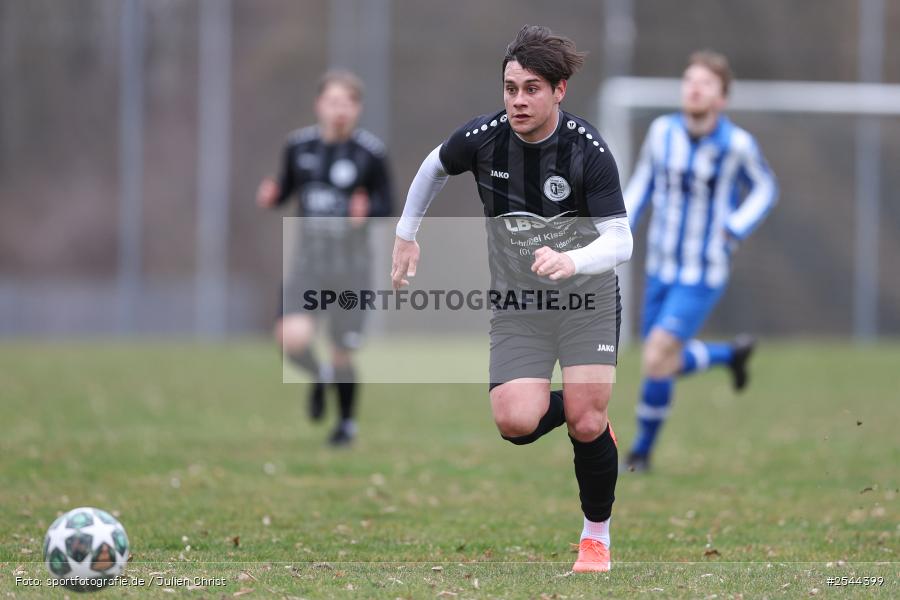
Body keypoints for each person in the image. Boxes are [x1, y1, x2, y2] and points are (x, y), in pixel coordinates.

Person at [391, 25, 633, 573]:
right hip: (520, 306)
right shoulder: (483, 138)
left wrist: (573, 260)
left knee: (586, 424)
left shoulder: (588, 150)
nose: (518, 100)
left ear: (559, 90)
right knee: (516, 422)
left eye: (531, 89)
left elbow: (621, 240)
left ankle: (595, 538)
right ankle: (585, 406)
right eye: (510, 88)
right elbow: (433, 166)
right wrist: (407, 234)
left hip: (587, 301)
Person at [623, 51, 778, 472]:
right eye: (689, 80)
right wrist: (621, 228)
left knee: (657, 355)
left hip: (702, 271)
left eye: (705, 83)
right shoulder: (661, 132)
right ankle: (729, 356)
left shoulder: (737, 144)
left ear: (721, 98)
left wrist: (734, 227)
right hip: (659, 266)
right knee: (662, 359)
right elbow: (642, 183)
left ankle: (640, 453)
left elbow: (765, 188)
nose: (694, 88)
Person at [257, 70, 393, 446]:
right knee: (290, 338)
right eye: (333, 102)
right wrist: (273, 195)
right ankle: (320, 376)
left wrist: (368, 210)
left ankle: (346, 424)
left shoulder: (371, 153)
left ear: (358, 108)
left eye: (348, 103)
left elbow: (387, 203)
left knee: (342, 351)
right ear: (319, 105)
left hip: (352, 269)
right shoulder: (298, 146)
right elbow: (286, 189)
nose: (340, 110)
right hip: (309, 267)